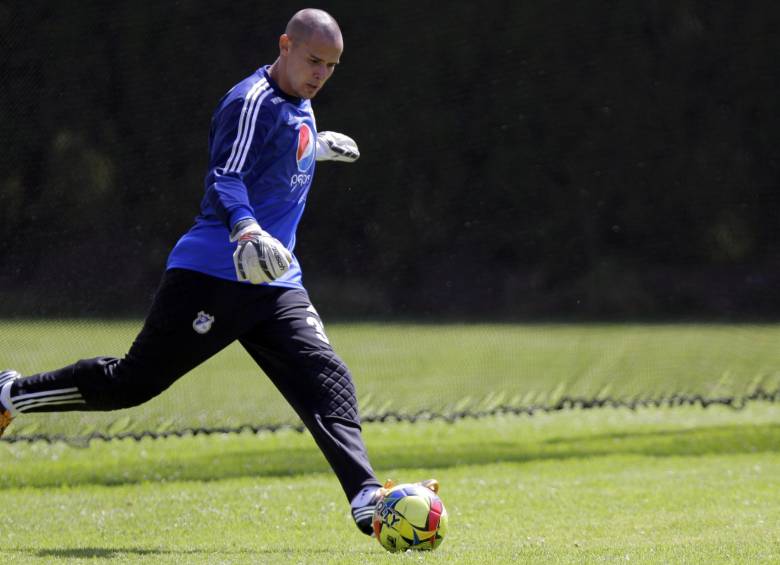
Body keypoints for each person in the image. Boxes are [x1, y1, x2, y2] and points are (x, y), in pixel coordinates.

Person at [0, 8, 437, 536]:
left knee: (327, 377)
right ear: (285, 46)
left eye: (332, 66)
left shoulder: (298, 101)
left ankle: (367, 496)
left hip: (274, 281)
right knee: (132, 383)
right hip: (214, 271)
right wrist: (248, 229)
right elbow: (225, 178)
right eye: (314, 61)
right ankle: (12, 395)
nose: (321, 74)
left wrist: (312, 150)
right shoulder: (250, 100)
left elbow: (267, 157)